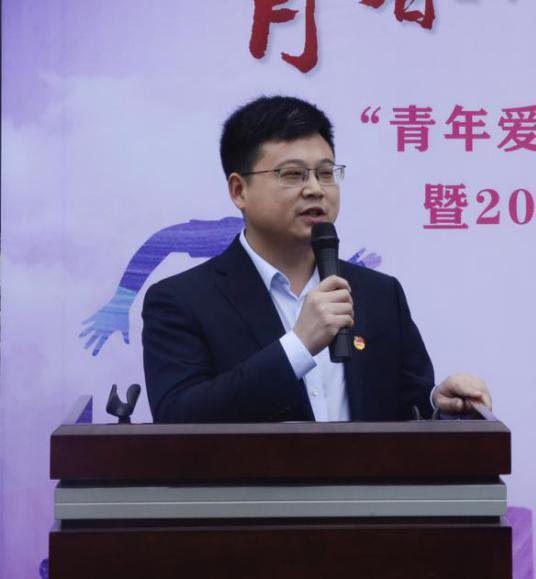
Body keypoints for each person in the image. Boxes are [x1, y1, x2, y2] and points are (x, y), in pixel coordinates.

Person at [142, 96, 492, 423]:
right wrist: (298, 346)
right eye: (293, 175)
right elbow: (178, 418)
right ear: (239, 190)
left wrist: (439, 404)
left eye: (325, 174)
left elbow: (407, 409)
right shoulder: (181, 300)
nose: (315, 189)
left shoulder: (379, 294)